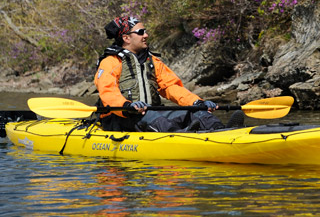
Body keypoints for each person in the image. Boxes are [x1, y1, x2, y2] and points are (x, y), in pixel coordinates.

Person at [94, 15, 239, 132]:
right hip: (123, 117)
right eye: (140, 32)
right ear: (126, 38)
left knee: (196, 112)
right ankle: (184, 135)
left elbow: (171, 87)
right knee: (155, 119)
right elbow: (108, 93)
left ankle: (222, 131)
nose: (146, 35)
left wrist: (197, 103)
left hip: (152, 112)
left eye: (145, 31)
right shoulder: (110, 62)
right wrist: (126, 106)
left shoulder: (153, 61)